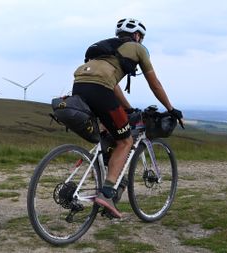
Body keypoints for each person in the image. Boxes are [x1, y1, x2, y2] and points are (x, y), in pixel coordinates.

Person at [72, 18, 184, 218]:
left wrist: (128, 108)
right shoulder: (138, 49)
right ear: (137, 36)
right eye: (140, 37)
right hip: (100, 89)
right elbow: (154, 84)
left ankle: (107, 173)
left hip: (79, 86)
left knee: (109, 134)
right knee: (126, 141)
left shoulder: (104, 48)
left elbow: (112, 84)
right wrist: (171, 108)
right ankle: (106, 195)